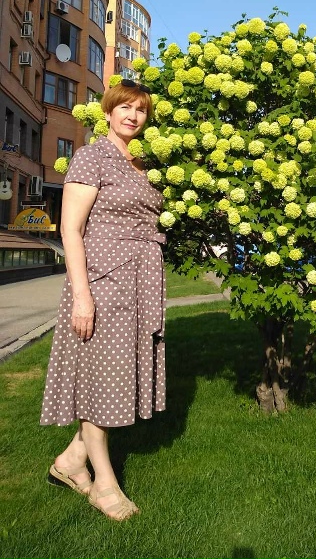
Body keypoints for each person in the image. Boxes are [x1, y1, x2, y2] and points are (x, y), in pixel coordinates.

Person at [40, 81, 166, 520]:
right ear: (108, 112)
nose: (132, 116)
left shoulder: (144, 165)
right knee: (102, 381)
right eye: (125, 107)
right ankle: (104, 484)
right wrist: (82, 297)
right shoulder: (92, 156)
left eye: (140, 110)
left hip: (140, 283)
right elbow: (70, 230)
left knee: (119, 377)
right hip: (102, 283)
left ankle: (71, 463)